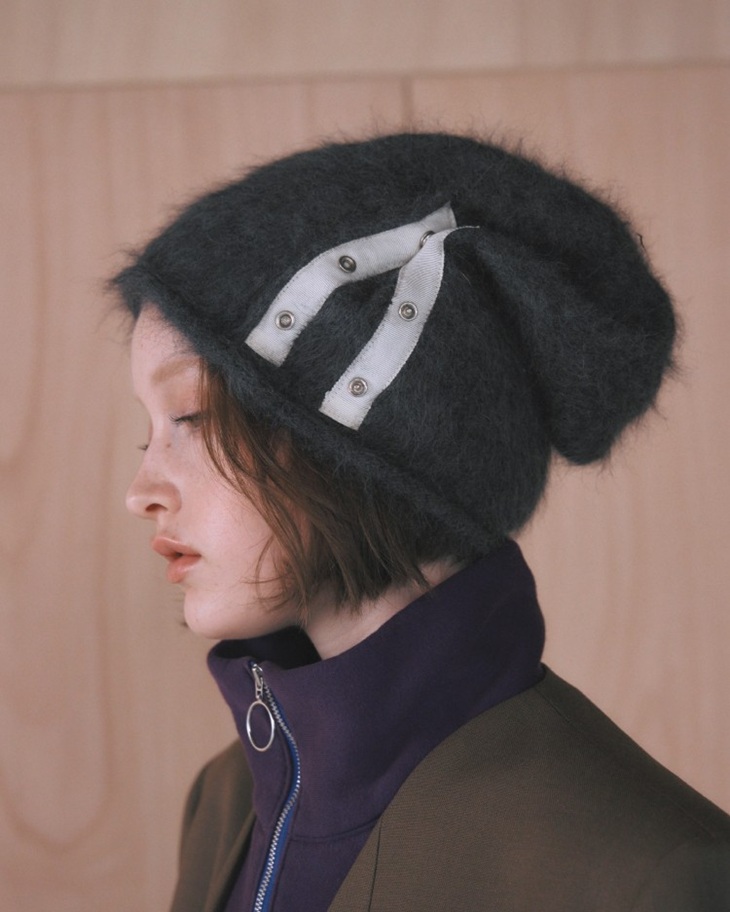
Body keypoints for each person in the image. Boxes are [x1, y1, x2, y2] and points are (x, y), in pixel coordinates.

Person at [112, 132, 730, 911]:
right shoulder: (227, 800)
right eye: (148, 433)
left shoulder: (647, 874)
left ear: (371, 442)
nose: (141, 491)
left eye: (193, 417)